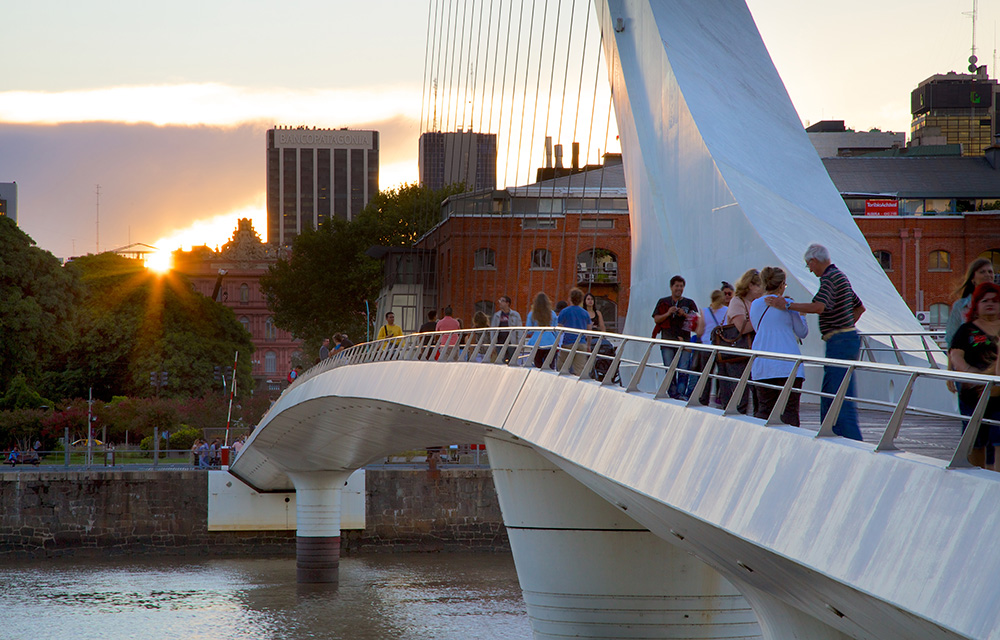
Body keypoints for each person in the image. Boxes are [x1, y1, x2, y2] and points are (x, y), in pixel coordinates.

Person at [767, 244, 866, 441]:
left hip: (839, 342)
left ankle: (844, 438)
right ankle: (840, 435)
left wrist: (787, 305)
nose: (810, 270)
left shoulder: (829, 278)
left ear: (814, 260)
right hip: (847, 339)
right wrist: (844, 325)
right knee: (839, 392)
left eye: (808, 265)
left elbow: (819, 306)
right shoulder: (841, 277)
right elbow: (859, 308)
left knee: (834, 394)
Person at [948, 282, 1000, 469]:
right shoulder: (966, 330)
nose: (990, 304)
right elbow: (955, 354)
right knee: (976, 442)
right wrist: (972, 373)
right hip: (974, 394)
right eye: (985, 300)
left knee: (999, 441)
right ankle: (978, 476)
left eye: (995, 301)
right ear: (976, 305)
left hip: (999, 395)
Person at [750, 267, 809, 426]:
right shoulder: (789, 305)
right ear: (782, 284)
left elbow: (757, 328)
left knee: (764, 411)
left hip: (763, 365)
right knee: (790, 413)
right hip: (789, 365)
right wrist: (802, 315)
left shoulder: (755, 305)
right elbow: (802, 332)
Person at [719, 269, 763, 413]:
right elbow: (742, 328)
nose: (762, 289)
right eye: (759, 285)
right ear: (750, 285)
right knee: (740, 393)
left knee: (756, 390)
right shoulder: (737, 302)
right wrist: (762, 319)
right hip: (738, 355)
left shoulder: (753, 302)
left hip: (750, 354)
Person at [651, 275, 701, 400]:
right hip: (668, 340)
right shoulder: (664, 302)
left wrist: (684, 314)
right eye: (676, 286)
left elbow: (697, 322)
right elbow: (656, 319)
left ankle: (680, 394)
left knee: (684, 369)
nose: (679, 288)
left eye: (681, 286)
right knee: (669, 368)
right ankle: (672, 393)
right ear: (671, 287)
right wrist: (668, 313)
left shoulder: (689, 303)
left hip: (684, 340)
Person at [945, 258, 995, 346]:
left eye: (990, 272)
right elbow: (951, 339)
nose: (987, 275)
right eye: (982, 272)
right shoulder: (960, 306)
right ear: (973, 279)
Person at [698, 289, 729, 406]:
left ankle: (703, 400)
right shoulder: (727, 311)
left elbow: (700, 331)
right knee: (723, 375)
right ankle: (724, 400)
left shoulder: (704, 311)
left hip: (707, 347)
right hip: (721, 347)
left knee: (706, 375)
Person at [556, 287, 593, 375]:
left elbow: (559, 329)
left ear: (570, 299)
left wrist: (557, 343)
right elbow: (589, 330)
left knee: (562, 367)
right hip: (581, 343)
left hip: (568, 343)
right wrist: (588, 345)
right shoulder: (585, 313)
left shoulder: (564, 312)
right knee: (579, 370)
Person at [526, 292, 558, 369]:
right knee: (550, 366)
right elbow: (556, 330)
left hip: (537, 342)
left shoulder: (532, 314)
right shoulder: (552, 314)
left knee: (538, 364)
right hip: (550, 341)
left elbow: (529, 330)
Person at [491, 295, 523, 364]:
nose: (500, 303)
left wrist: (520, 343)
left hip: (511, 342)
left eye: (502, 301)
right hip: (500, 343)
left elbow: (519, 330)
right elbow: (493, 330)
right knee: (501, 362)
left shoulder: (515, 315)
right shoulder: (496, 316)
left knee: (512, 362)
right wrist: (493, 344)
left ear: (507, 303)